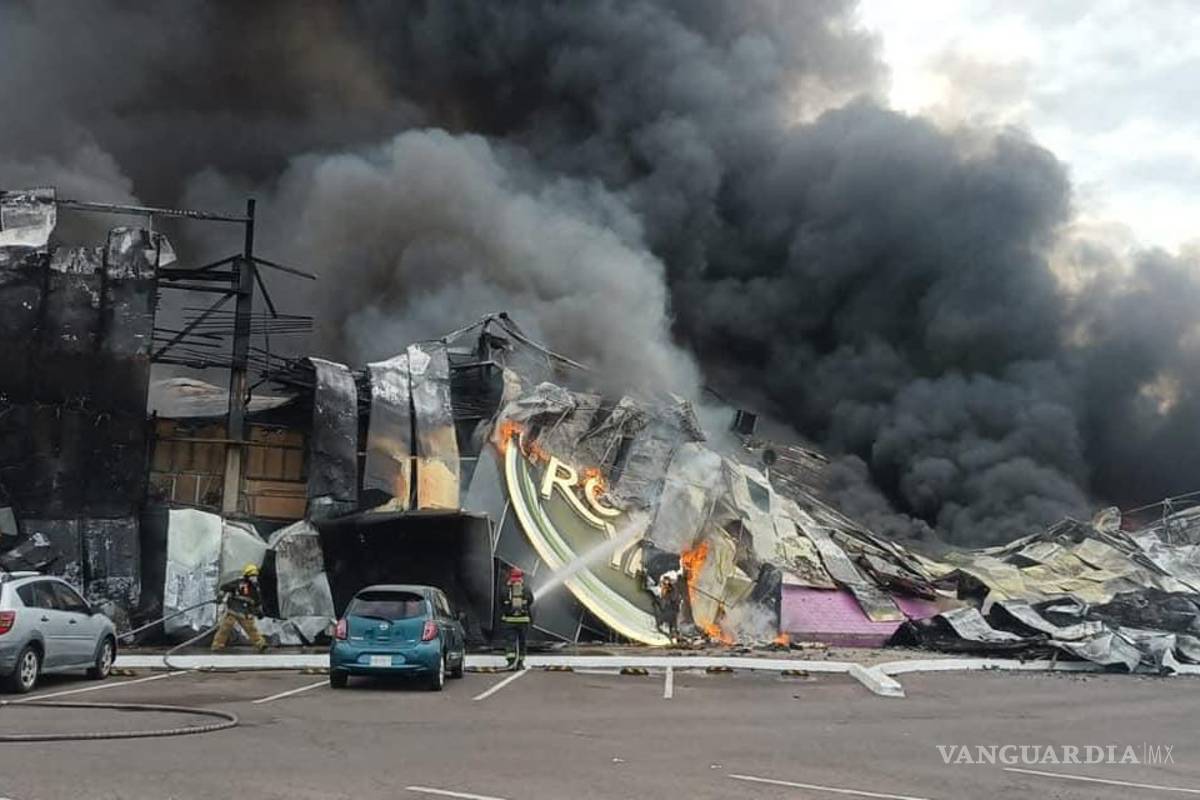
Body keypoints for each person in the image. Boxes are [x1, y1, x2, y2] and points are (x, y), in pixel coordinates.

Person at [212, 563, 268, 652]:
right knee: (225, 628)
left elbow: (257, 601)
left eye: (255, 576)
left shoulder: (254, 588)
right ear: (247, 575)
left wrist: (259, 611)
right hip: (233, 610)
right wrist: (220, 597)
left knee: (251, 629)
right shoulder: (239, 583)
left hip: (245, 613)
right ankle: (217, 645)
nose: (254, 578)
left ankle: (261, 644)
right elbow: (224, 587)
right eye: (252, 576)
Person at [500, 566, 533, 669]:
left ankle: (511, 662)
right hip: (523, 620)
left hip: (509, 620)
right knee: (522, 641)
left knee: (510, 641)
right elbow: (531, 600)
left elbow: (500, 601)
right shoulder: (526, 588)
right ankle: (520, 663)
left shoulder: (506, 588)